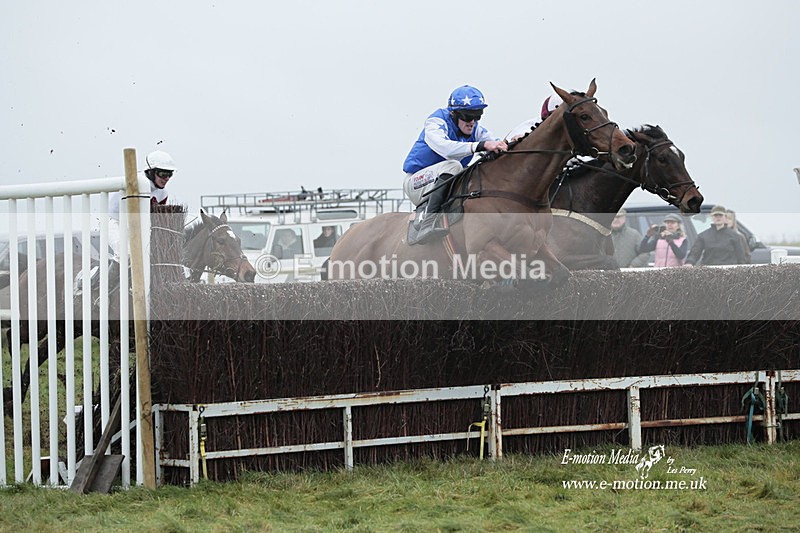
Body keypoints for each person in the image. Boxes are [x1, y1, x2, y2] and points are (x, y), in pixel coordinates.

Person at [402, 85, 508, 243]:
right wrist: (480, 146)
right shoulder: (436, 122)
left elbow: (494, 143)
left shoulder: (476, 129)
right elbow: (446, 149)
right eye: (467, 116)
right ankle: (427, 223)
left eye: (477, 116)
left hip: (442, 182)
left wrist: (512, 142)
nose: (472, 122)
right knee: (453, 165)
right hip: (417, 184)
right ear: (453, 113)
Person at [108, 150, 177, 260]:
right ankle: (104, 276)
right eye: (163, 174)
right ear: (150, 172)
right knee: (127, 254)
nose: (166, 179)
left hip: (140, 227)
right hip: (116, 222)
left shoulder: (163, 193)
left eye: (170, 174)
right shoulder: (135, 183)